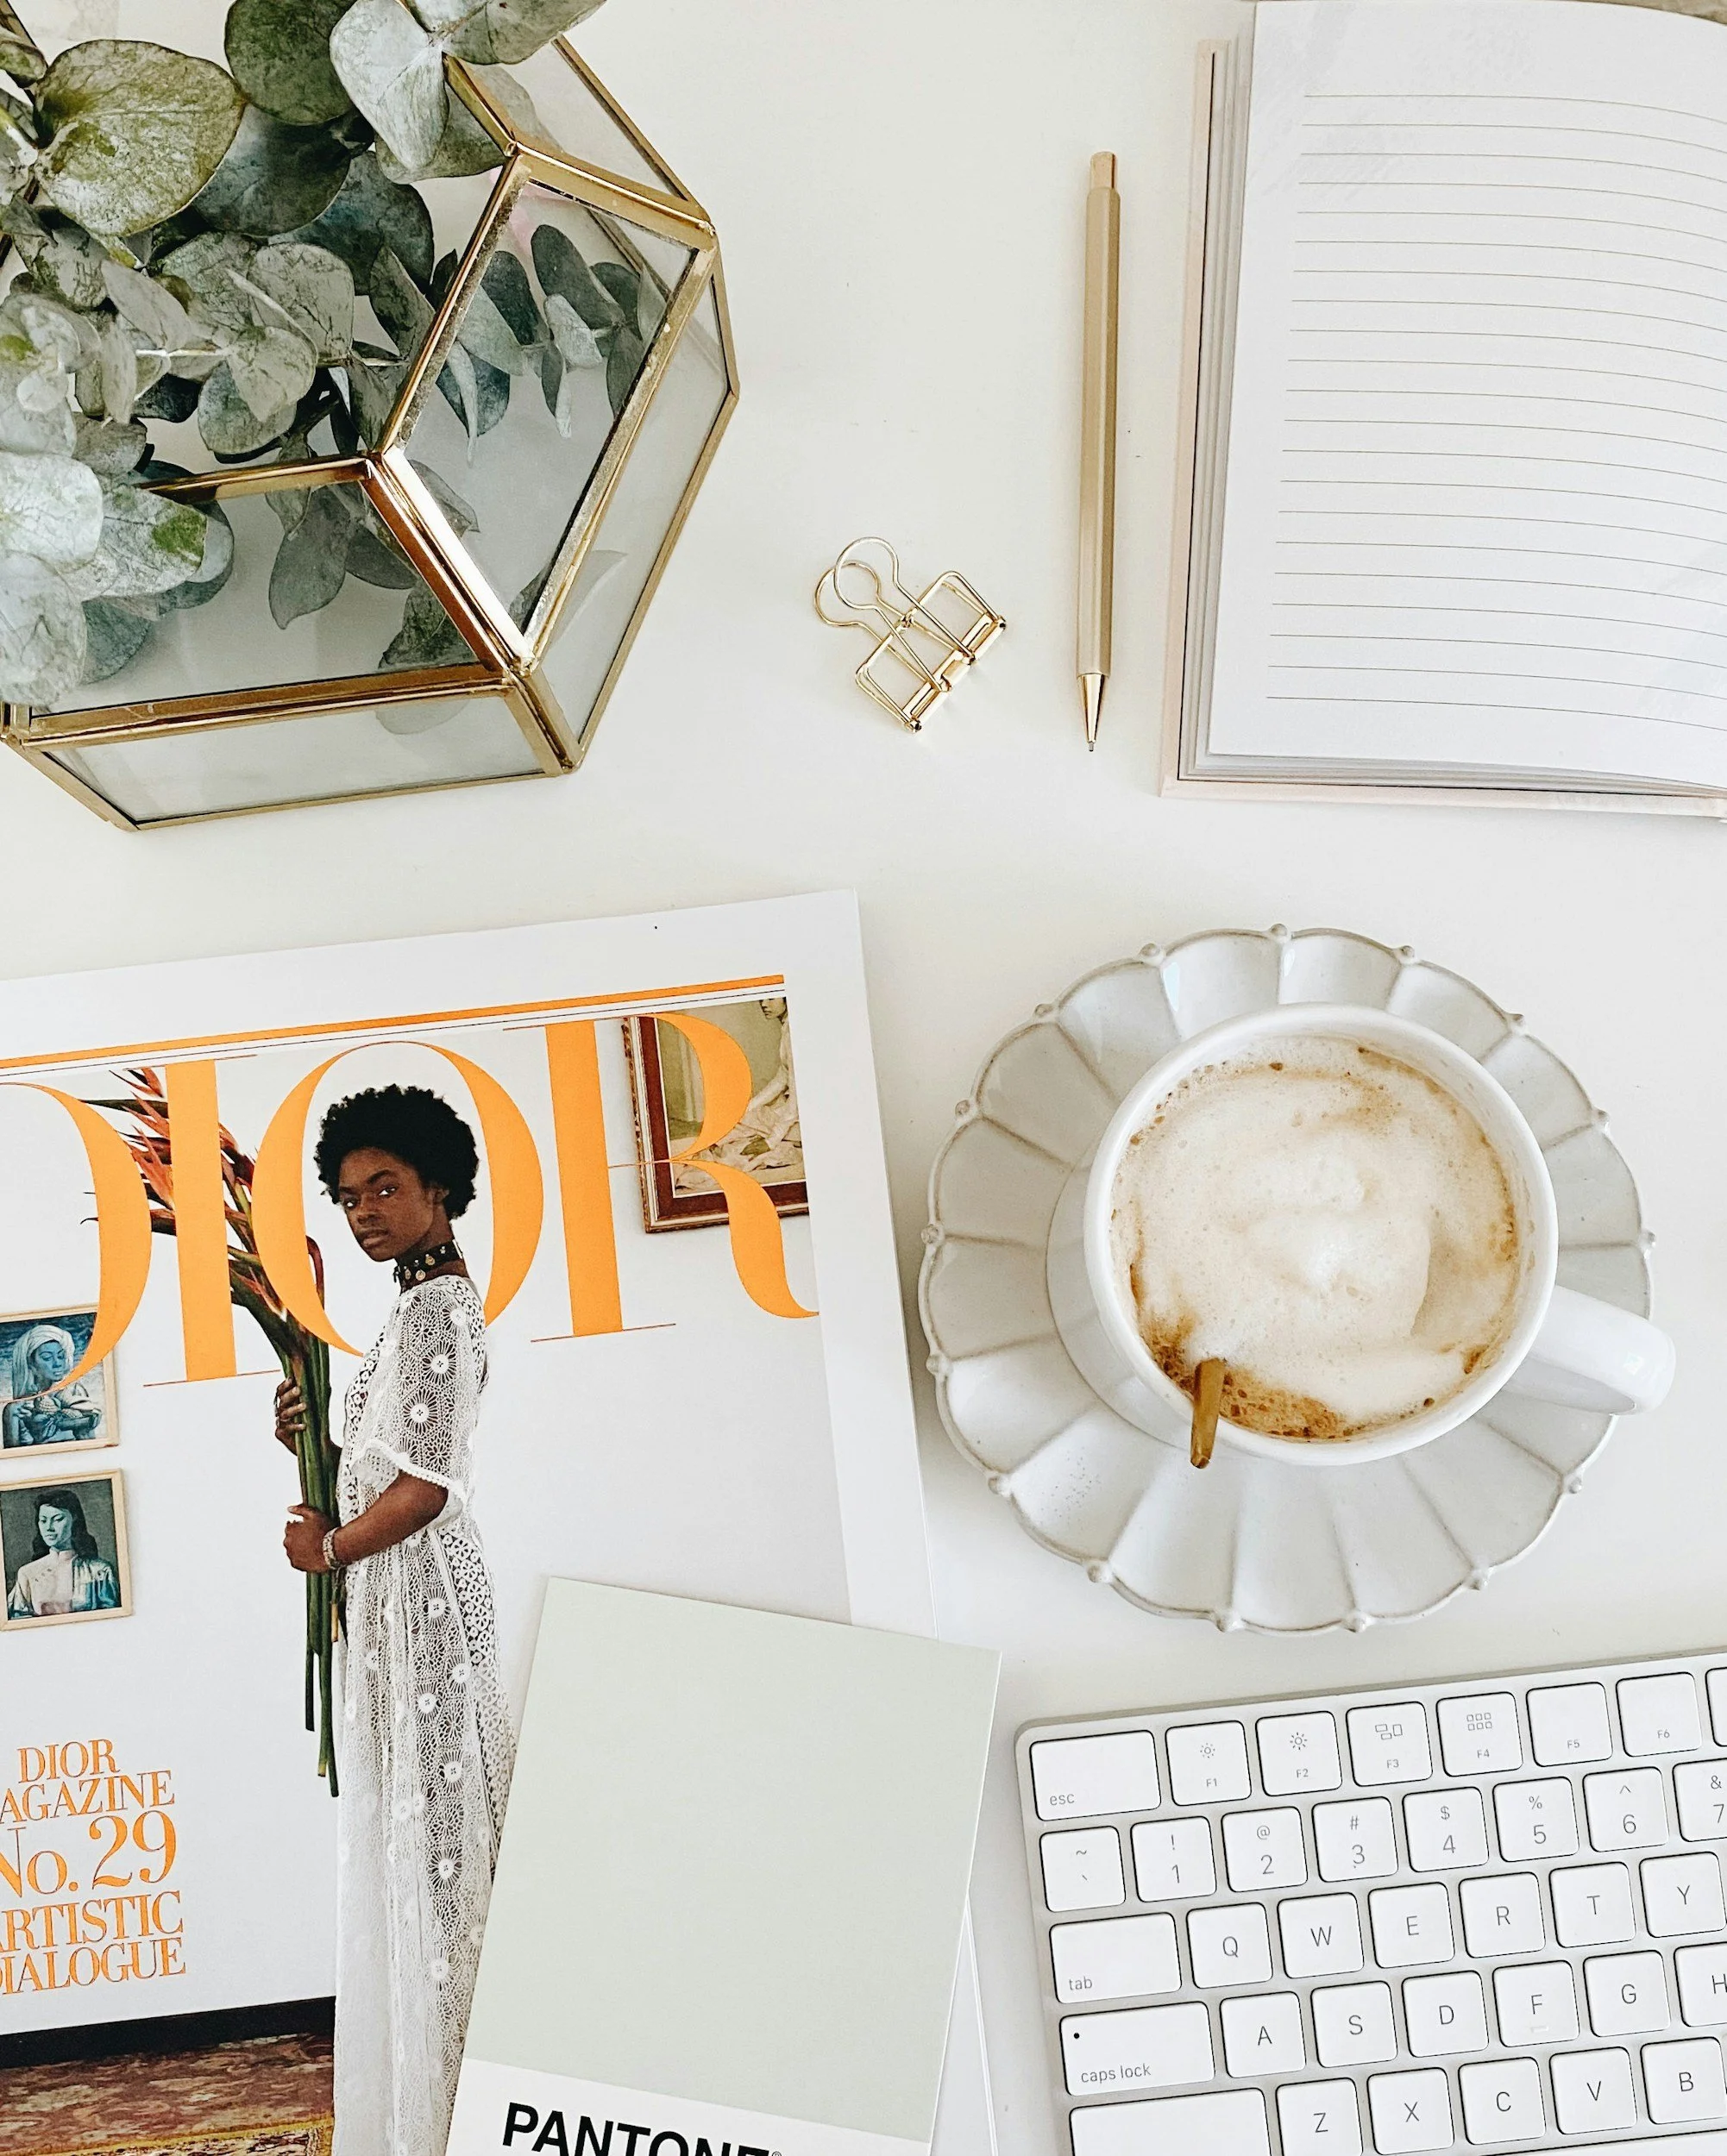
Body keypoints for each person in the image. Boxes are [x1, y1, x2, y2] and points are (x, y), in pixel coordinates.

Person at [278, 1084, 513, 2156]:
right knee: (412, 1836)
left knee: (440, 1842)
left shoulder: (441, 1310)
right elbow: (375, 1470)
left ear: (440, 1188)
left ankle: (459, 2097)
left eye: (385, 1187)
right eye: (348, 1195)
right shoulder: (408, 1309)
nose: (365, 1210)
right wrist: (305, 1440)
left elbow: (424, 1490)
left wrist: (328, 1549)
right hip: (390, 1607)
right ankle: (435, 2089)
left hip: (423, 1609)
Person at [7, 1486, 119, 1617]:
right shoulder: (27, 1573)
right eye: (43, 1520)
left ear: (75, 1521)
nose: (48, 1528)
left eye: (58, 1519)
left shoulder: (99, 1571)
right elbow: (18, 1620)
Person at [3, 1324, 102, 1447]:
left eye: (61, 1356)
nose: (57, 1363)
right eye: (47, 1358)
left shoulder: (75, 1393)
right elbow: (12, 1459)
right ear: (31, 1364)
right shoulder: (17, 1409)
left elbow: (93, 1446)